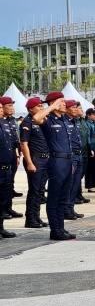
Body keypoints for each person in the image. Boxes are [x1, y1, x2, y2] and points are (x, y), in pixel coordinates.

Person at [32, 92, 75, 240]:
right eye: (61, 102)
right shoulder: (48, 119)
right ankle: (55, 230)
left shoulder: (64, 120)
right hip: (56, 162)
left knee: (63, 197)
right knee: (54, 197)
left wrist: (72, 163)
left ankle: (61, 228)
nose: (64, 104)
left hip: (68, 161)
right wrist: (51, 107)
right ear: (52, 104)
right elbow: (36, 118)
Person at [20, 97, 49, 228]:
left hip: (45, 158)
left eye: (42, 106)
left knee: (41, 191)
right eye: (38, 106)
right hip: (35, 159)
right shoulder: (27, 123)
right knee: (34, 190)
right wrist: (29, 162)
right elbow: (24, 144)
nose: (41, 108)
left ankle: (36, 217)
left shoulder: (42, 121)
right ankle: (30, 219)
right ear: (31, 109)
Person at [0, 97, 22, 220]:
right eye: (9, 106)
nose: (12, 108)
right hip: (3, 156)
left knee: (10, 183)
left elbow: (15, 139)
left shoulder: (12, 121)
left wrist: (17, 154)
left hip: (12, 154)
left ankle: (8, 208)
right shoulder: (2, 121)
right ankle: (3, 210)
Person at [63, 100, 84, 221]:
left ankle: (71, 208)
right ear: (66, 109)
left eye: (77, 107)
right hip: (71, 156)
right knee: (69, 184)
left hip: (79, 154)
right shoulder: (64, 121)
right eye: (73, 107)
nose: (76, 109)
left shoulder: (75, 121)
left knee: (76, 183)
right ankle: (66, 209)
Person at [0, 99, 17, 239]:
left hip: (6, 168)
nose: (1, 110)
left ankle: (1, 228)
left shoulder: (4, 123)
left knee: (3, 199)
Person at [85, 108, 95, 192]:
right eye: (94, 114)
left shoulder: (94, 124)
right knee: (90, 168)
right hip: (92, 148)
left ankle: (94, 184)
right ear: (88, 115)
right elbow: (88, 138)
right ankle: (90, 185)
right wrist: (90, 149)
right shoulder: (88, 124)